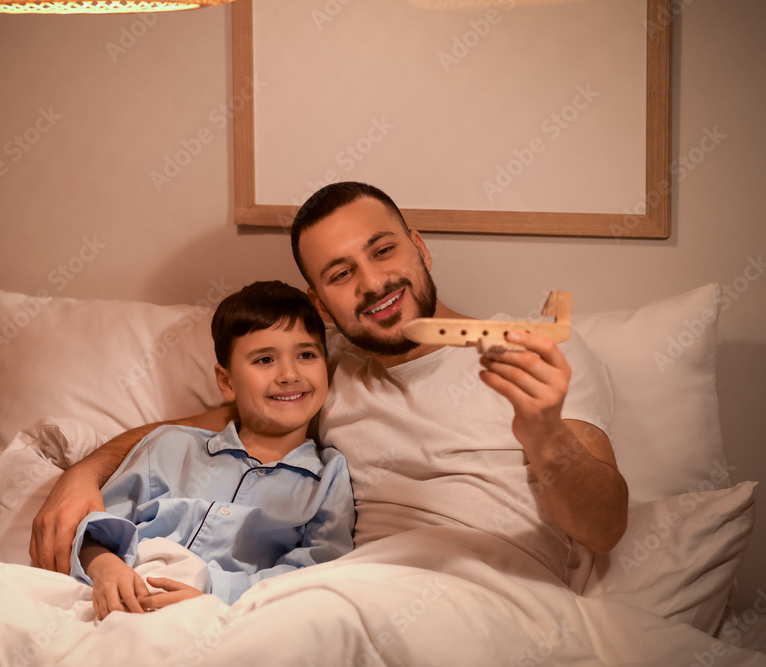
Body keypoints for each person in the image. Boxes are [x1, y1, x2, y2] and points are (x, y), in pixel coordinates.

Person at [31, 182, 628, 587]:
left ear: (419, 247)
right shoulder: (325, 372)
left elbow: (604, 529)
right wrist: (81, 474)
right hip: (347, 592)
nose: (371, 283)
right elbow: (197, 428)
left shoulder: (536, 352)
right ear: (320, 301)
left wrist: (545, 435)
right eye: (342, 274)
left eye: (384, 250)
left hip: (498, 590)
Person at [72, 280, 355, 619]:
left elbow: (317, 571)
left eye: (306, 355)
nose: (289, 374)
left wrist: (212, 593)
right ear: (226, 382)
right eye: (265, 359)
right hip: (119, 600)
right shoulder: (169, 446)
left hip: (225, 619)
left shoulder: (327, 478)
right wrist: (105, 567)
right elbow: (98, 526)